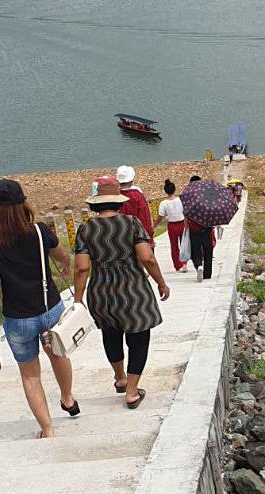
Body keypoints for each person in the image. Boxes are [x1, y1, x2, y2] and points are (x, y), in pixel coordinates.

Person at [0, 178, 78, 439]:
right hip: (49, 308)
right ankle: (67, 398)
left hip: (18, 319)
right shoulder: (40, 232)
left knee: (30, 375)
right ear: (24, 204)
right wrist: (66, 264)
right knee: (59, 356)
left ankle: (48, 429)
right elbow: (62, 256)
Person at [74, 175, 170, 408]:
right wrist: (161, 282)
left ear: (96, 203)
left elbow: (82, 267)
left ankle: (120, 378)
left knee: (110, 334)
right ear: (118, 201)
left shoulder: (86, 229)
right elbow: (146, 257)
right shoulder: (131, 223)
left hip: (101, 290)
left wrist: (78, 299)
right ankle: (132, 392)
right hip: (133, 288)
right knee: (139, 338)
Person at [186, 174, 215, 282]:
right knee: (208, 250)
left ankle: (198, 265)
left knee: (195, 250)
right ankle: (207, 274)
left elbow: (185, 212)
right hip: (206, 227)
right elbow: (212, 209)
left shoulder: (188, 197)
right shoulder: (207, 195)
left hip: (194, 228)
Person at [115, 164, 154, 237]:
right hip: (138, 236)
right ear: (131, 180)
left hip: (121, 236)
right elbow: (144, 217)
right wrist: (149, 235)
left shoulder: (114, 195)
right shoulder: (137, 195)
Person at [158, 178, 187, 271]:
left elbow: (160, 216)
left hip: (172, 225)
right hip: (182, 223)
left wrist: (155, 224)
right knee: (184, 245)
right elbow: (186, 212)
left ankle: (177, 265)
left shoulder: (163, 203)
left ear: (165, 191)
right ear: (175, 189)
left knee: (174, 246)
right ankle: (184, 264)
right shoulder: (181, 200)